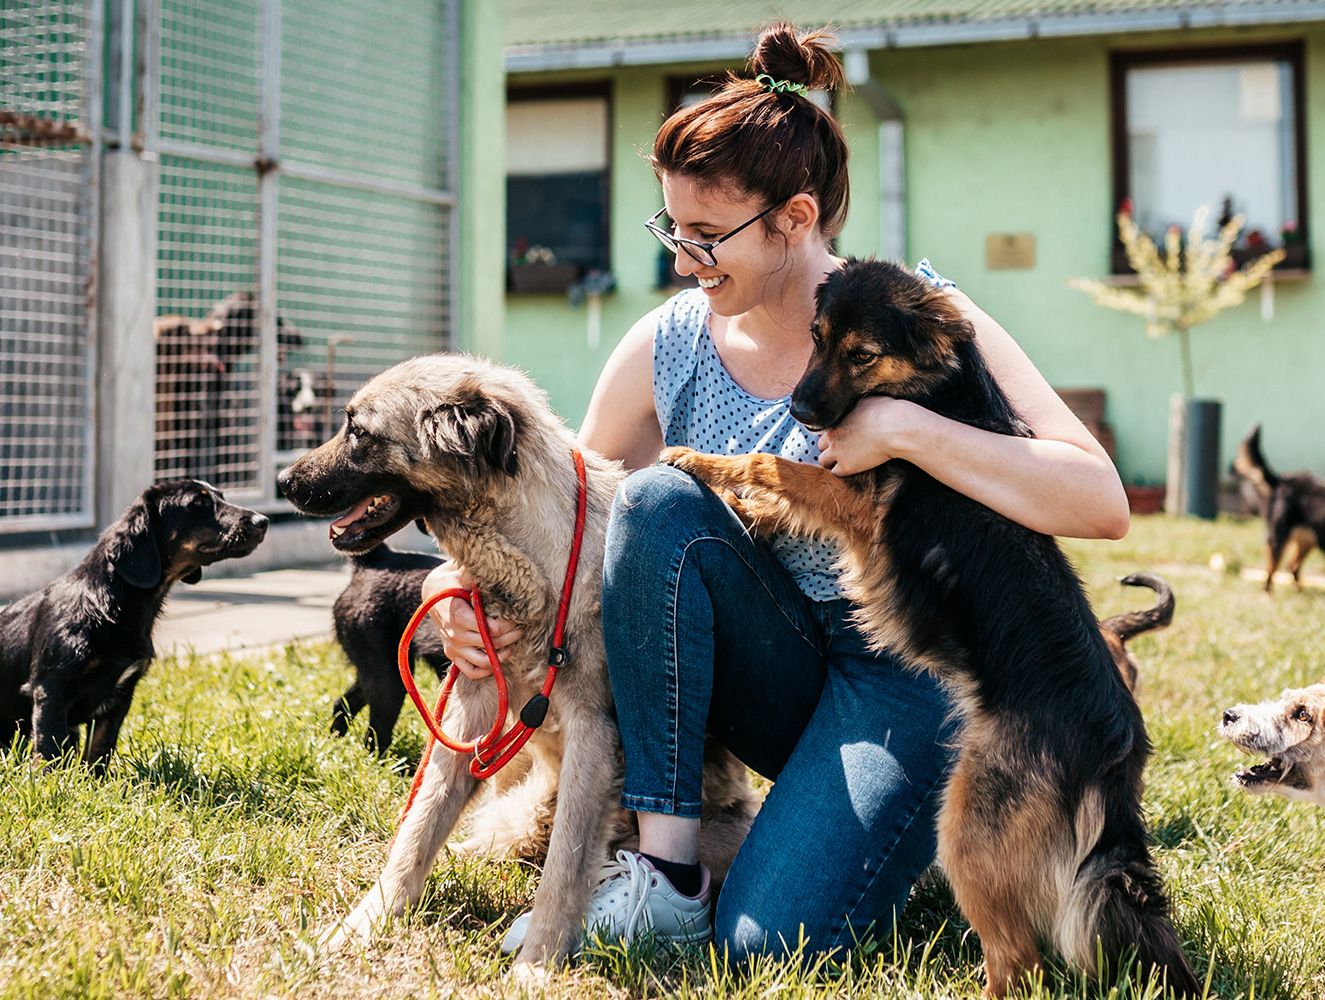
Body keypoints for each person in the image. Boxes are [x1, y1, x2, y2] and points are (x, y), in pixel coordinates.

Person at [423, 22, 1129, 963]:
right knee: (656, 503)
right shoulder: (668, 341)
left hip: (905, 678)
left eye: (709, 234)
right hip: (764, 666)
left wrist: (906, 427)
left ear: (796, 218)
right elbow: (569, 521)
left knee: (768, 944)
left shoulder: (917, 315)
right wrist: (449, 598)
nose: (683, 256)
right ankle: (667, 871)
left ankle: (868, 828)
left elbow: (1099, 499)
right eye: (671, 228)